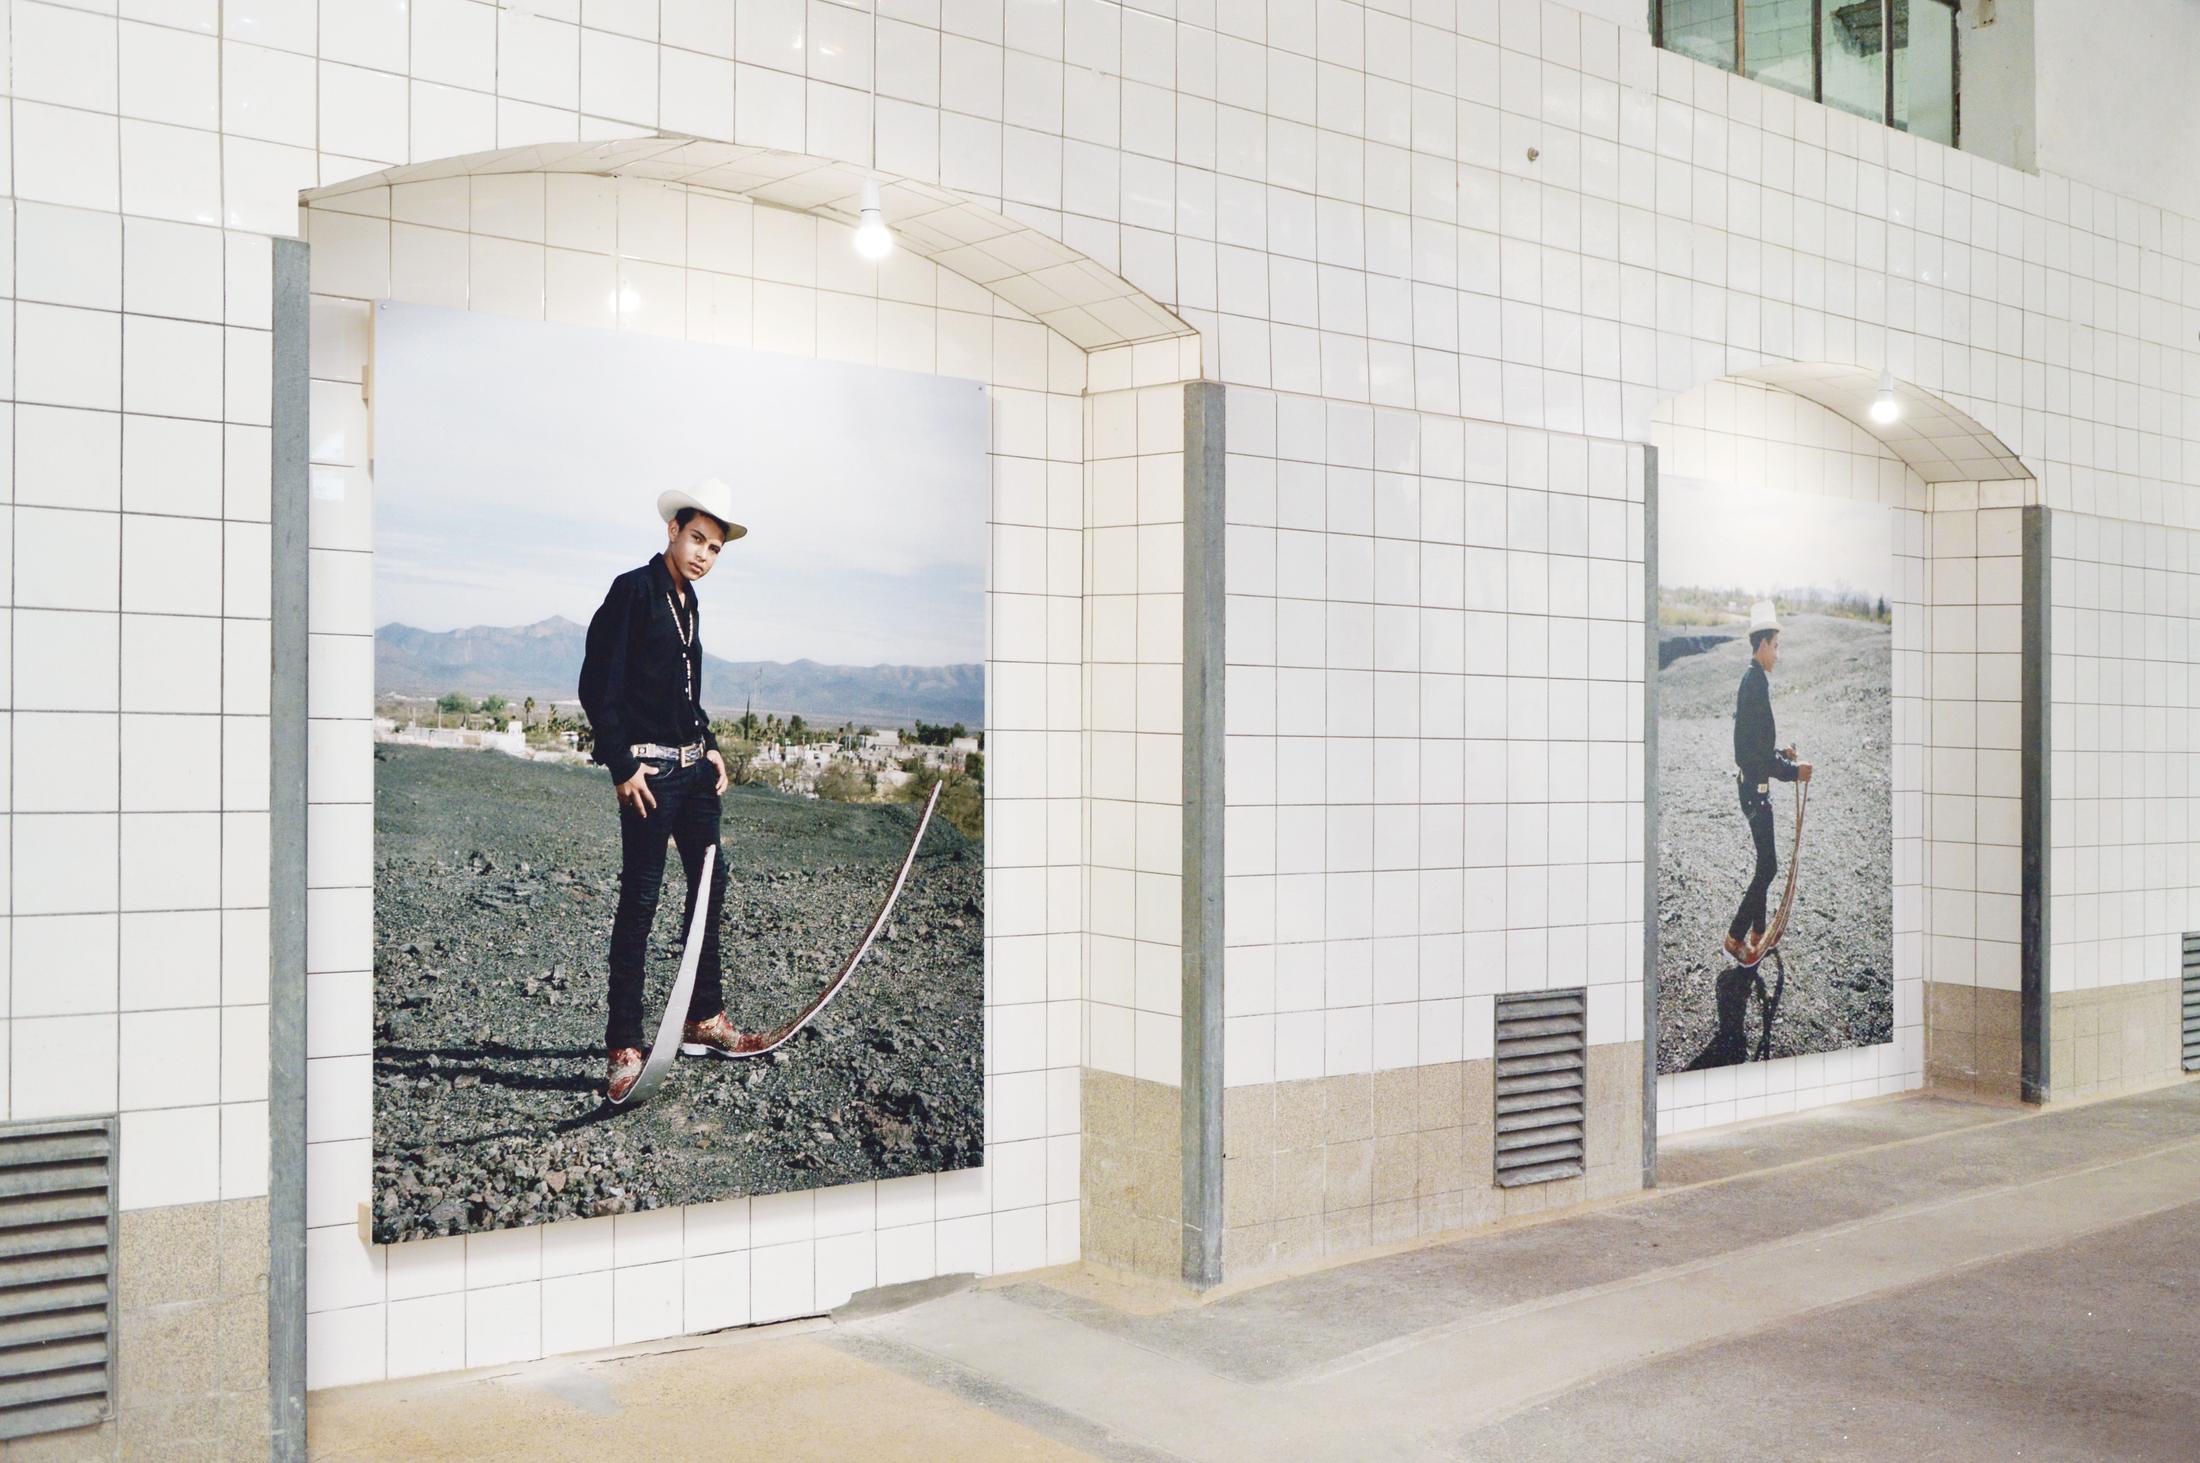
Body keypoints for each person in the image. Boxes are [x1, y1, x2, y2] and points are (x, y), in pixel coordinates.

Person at [577, 476, 753, 1102]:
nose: (705, 553)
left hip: (693, 772)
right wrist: (621, 766)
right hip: (648, 776)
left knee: (711, 883)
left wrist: (707, 744)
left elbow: (683, 693)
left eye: (715, 547)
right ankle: (623, 1043)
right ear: (673, 531)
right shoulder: (633, 591)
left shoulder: (689, 602)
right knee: (642, 901)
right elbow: (598, 686)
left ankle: (704, 1018)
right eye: (697, 539)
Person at [1724, 601, 1812, 966]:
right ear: (1762, 644)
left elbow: (1755, 746)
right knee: (1770, 867)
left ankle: (1759, 933)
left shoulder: (1754, 680)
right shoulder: (1755, 685)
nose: (1778, 653)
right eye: (1776, 645)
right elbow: (1754, 756)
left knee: (1765, 861)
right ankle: (1734, 937)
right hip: (1755, 790)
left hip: (1753, 786)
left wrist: (1782, 753)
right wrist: (1794, 772)